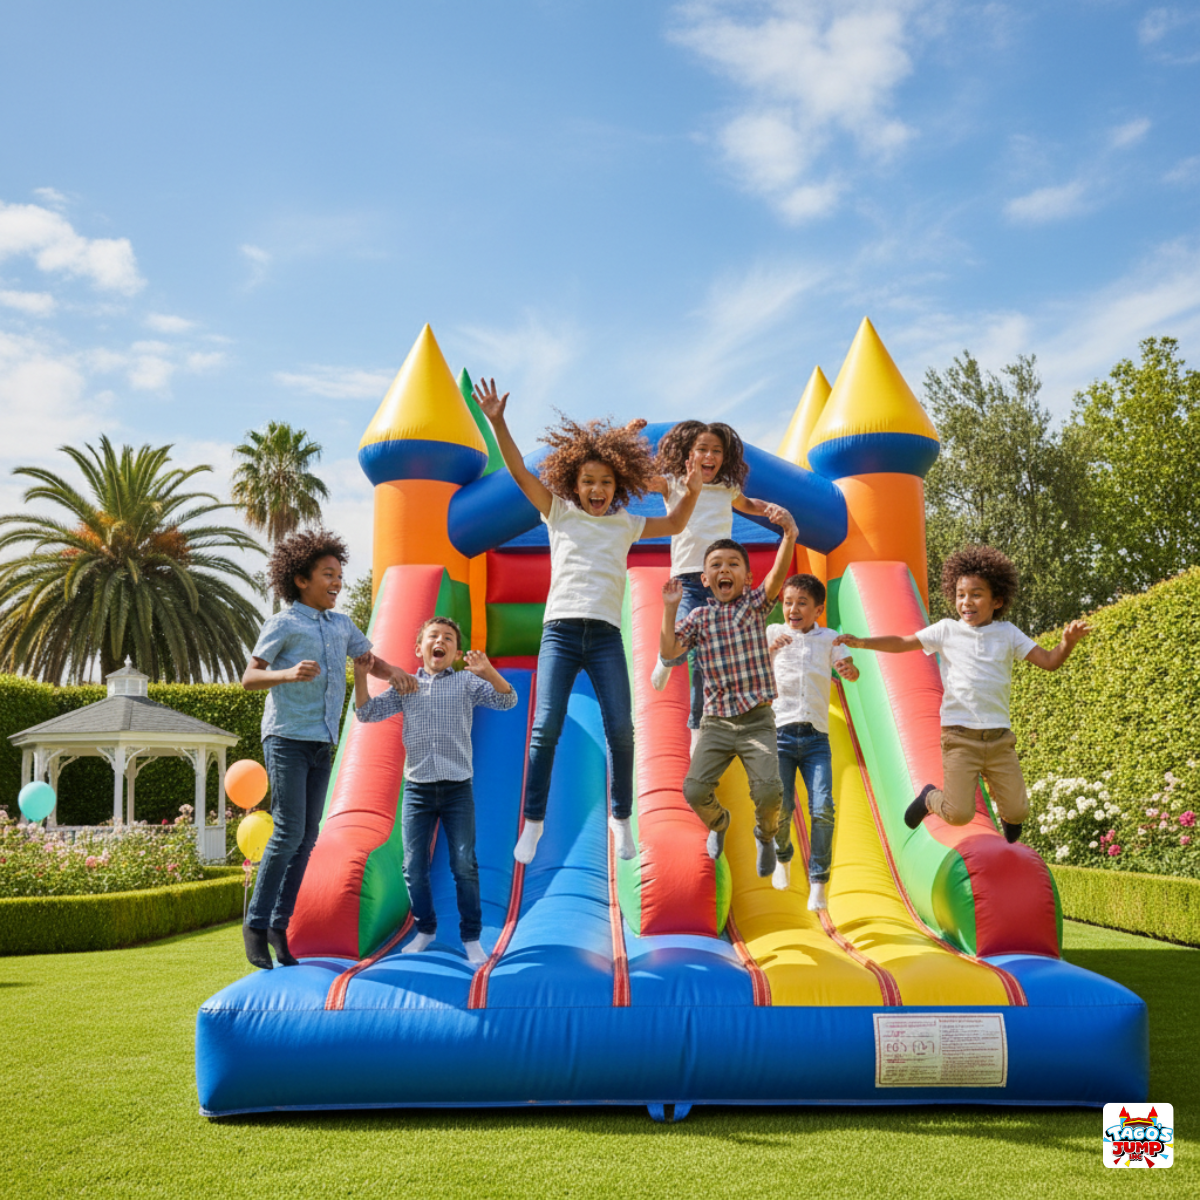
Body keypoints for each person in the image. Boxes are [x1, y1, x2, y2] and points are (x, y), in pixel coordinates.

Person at [474, 379, 703, 865]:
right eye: (588, 482)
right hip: (560, 631)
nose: (596, 490)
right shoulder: (557, 512)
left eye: (605, 482)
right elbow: (517, 471)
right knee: (545, 728)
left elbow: (677, 524)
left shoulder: (626, 522)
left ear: (617, 486)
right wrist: (497, 422)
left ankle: (621, 821)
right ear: (573, 484)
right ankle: (533, 823)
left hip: (604, 636)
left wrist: (694, 488)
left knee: (622, 728)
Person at [240, 529, 417, 970]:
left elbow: (368, 660)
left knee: (307, 838)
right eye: (328, 574)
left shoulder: (342, 625)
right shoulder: (283, 624)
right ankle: (255, 924)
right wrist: (286, 675)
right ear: (301, 579)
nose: (337, 582)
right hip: (286, 737)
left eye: (340, 574)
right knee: (287, 831)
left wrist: (393, 672)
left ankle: (282, 925)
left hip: (323, 742)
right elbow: (249, 677)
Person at [834, 545, 1091, 844]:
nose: (966, 601)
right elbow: (903, 642)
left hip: (998, 739)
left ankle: (1006, 810)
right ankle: (930, 798)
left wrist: (1067, 643)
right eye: (960, 594)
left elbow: (1049, 662)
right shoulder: (947, 630)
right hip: (959, 738)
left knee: (1019, 812)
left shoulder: (1008, 633)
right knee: (958, 814)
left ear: (997, 600)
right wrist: (863, 642)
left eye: (976, 594)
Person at [353, 616, 517, 966]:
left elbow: (508, 701)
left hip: (457, 788)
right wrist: (360, 675)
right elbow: (366, 713)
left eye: (448, 638)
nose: (439, 641)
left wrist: (486, 670)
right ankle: (425, 929)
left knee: (463, 864)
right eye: (433, 636)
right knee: (413, 866)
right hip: (418, 791)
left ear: (456, 653)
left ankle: (471, 937)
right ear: (420, 648)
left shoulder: (465, 683)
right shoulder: (406, 685)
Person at [660, 510, 798, 879]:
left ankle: (764, 835)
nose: (726, 569)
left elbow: (777, 576)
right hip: (717, 723)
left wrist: (789, 534)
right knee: (693, 789)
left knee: (769, 792)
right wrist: (671, 608)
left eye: (734, 564)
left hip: (756, 721)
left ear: (747, 577)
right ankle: (720, 823)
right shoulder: (699, 618)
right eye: (717, 565)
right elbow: (669, 652)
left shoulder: (754, 606)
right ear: (705, 579)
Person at [642, 421, 774, 749]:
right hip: (687, 576)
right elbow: (639, 480)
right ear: (689, 454)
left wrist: (771, 510)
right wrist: (633, 441)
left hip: (719, 582)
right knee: (679, 644)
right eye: (702, 449)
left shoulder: (726, 487)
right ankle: (665, 660)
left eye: (716, 450)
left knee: (705, 656)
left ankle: (698, 727)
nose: (710, 455)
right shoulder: (674, 482)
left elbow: (748, 505)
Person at [766, 574, 859, 909]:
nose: (793, 609)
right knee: (781, 806)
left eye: (802, 603)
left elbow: (847, 666)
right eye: (788, 602)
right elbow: (753, 667)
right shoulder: (773, 634)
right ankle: (783, 855)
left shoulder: (829, 638)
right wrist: (769, 651)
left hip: (816, 736)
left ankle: (818, 879)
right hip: (779, 733)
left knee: (823, 809)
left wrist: (848, 670)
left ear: (818, 609)